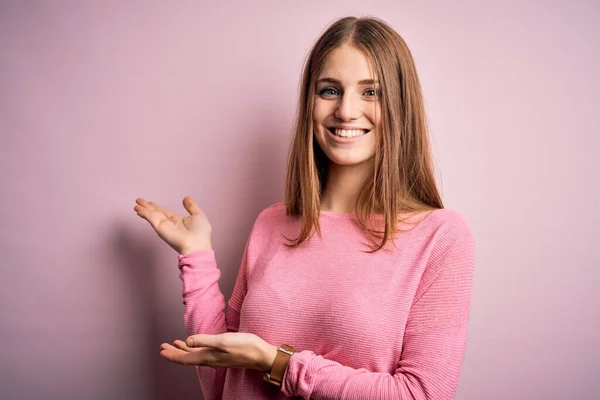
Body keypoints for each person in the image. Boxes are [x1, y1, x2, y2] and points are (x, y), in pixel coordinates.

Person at [133, 15, 475, 400]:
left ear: (400, 106)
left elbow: (422, 395)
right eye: (329, 90)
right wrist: (195, 258)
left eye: (371, 92)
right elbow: (223, 384)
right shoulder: (271, 223)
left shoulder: (440, 236)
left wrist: (278, 363)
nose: (346, 110)